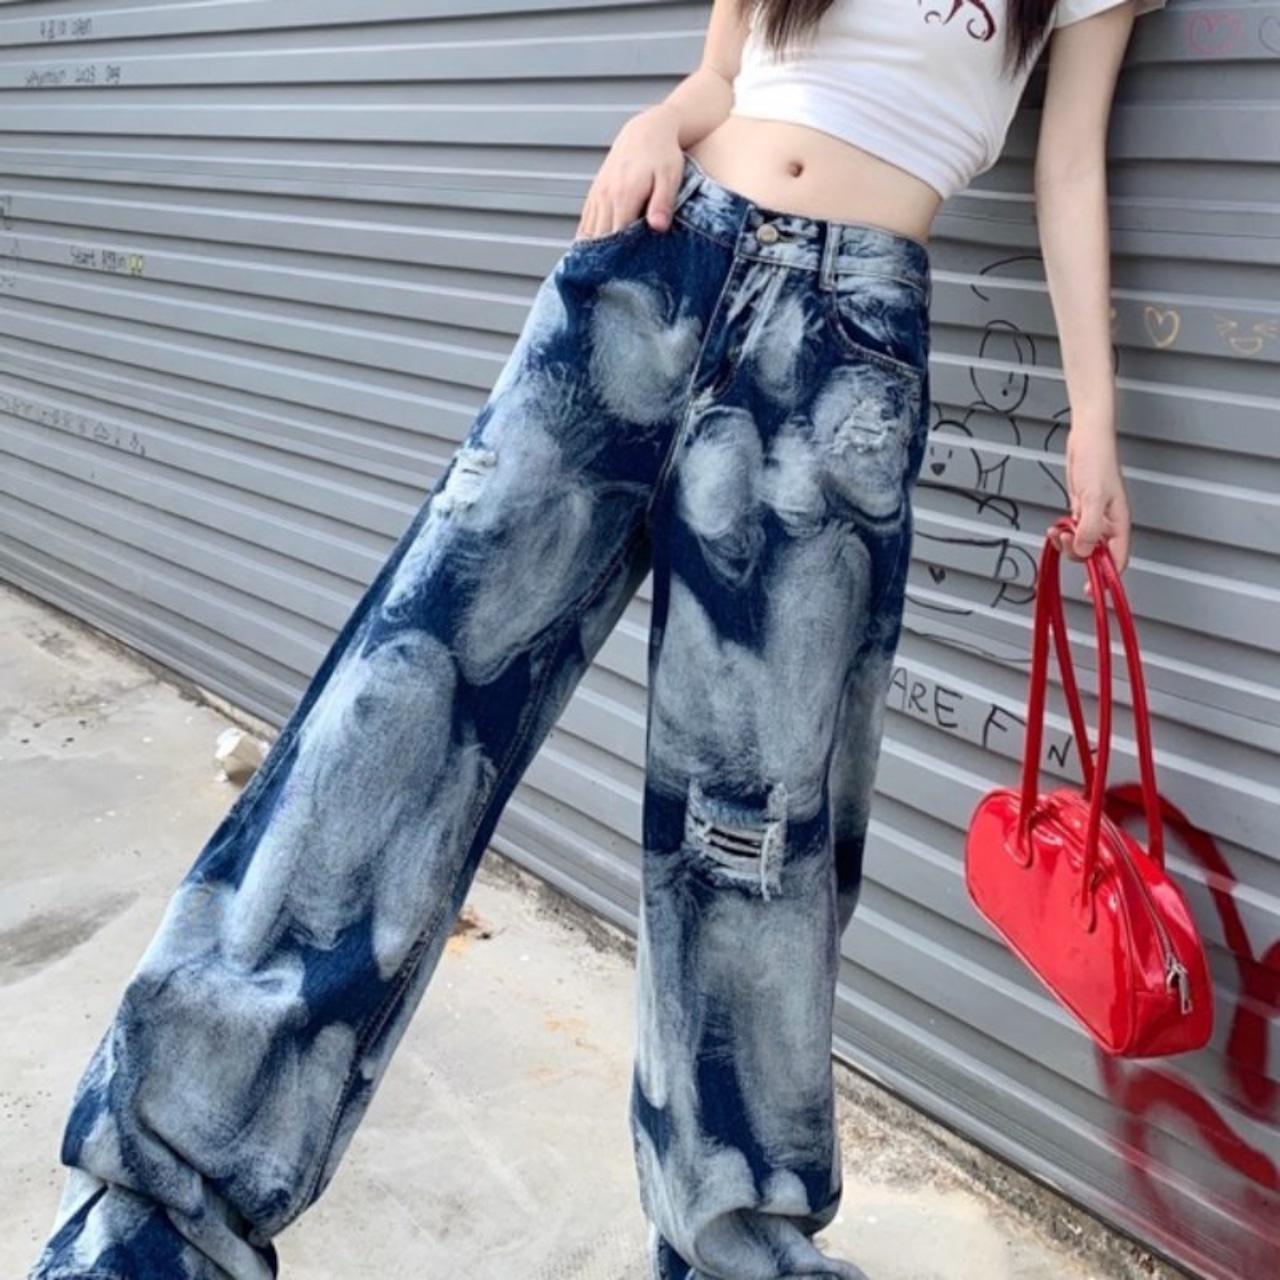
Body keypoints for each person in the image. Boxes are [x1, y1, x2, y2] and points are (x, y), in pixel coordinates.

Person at [28, 1, 1167, 1277]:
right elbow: (719, 75)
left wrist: (1092, 420)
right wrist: (655, 123)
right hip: (661, 267)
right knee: (395, 712)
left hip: (840, 351)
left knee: (758, 826)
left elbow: (1068, 163)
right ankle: (154, 1215)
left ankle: (734, 1241)